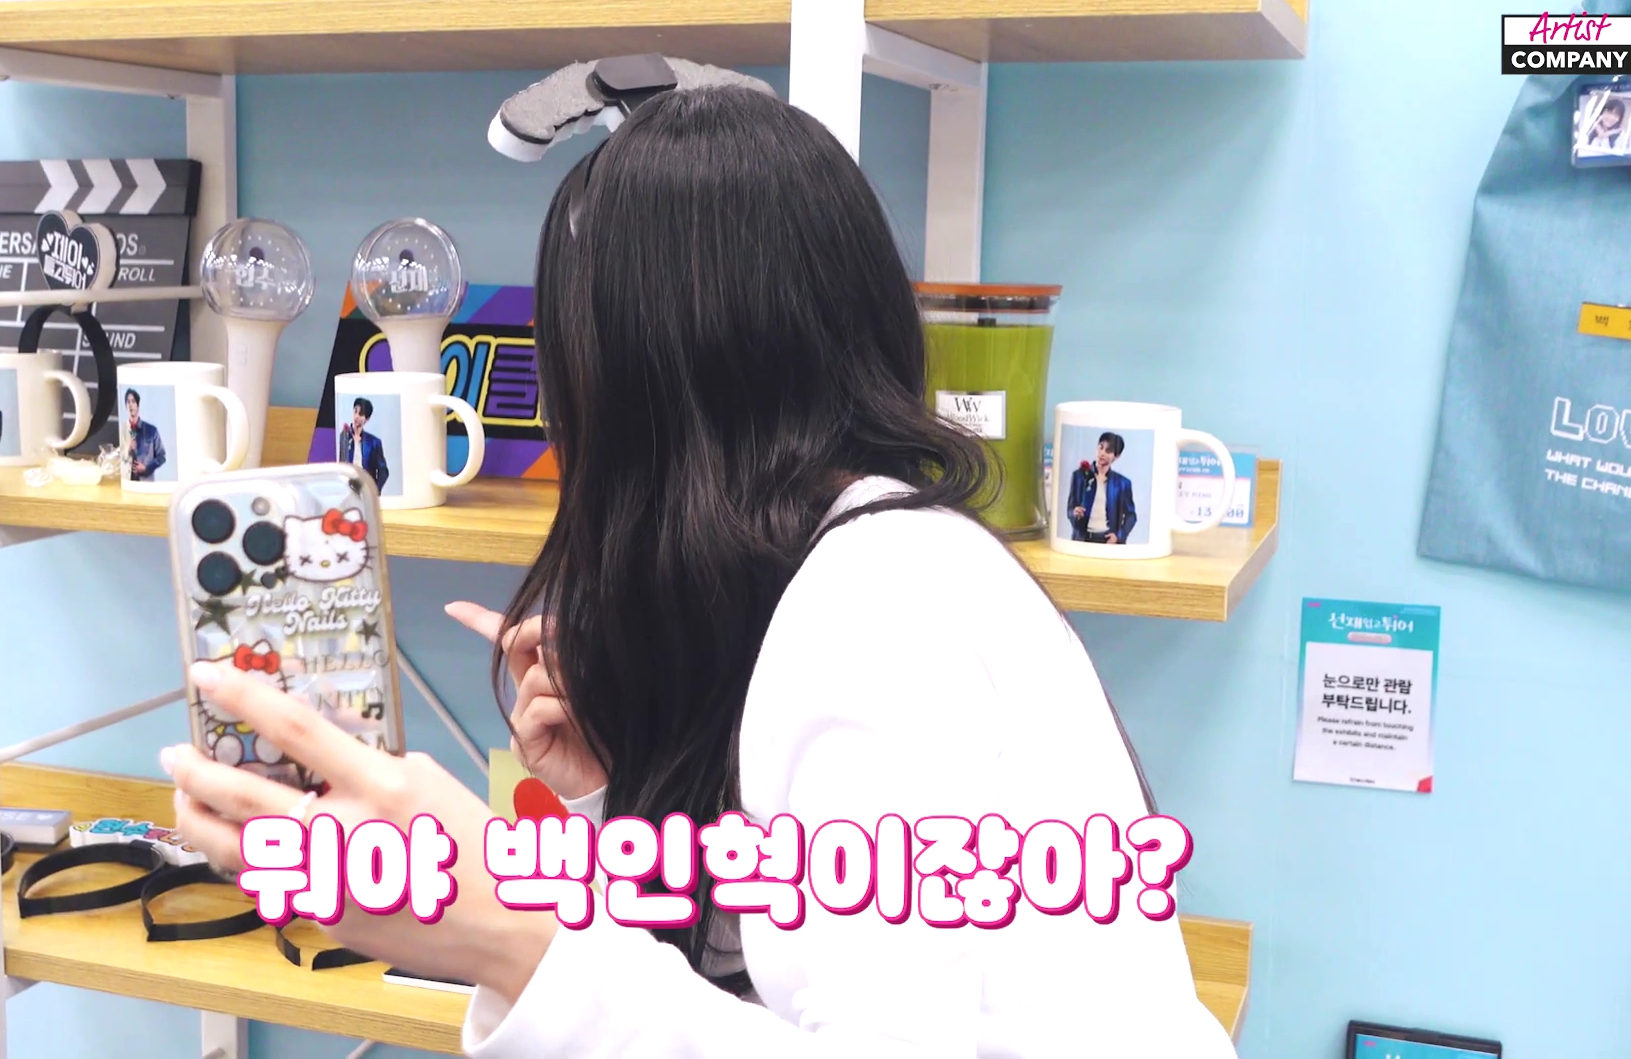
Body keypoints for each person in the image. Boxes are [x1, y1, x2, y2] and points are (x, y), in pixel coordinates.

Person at [164, 85, 1237, 1058]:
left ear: (624, 394)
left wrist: (511, 932)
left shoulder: (882, 607)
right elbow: (778, 972)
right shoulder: (867, 564)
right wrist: (614, 791)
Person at [1068, 432, 1138, 545]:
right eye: (1101, 447)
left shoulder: (1122, 483)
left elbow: (1131, 516)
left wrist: (1118, 536)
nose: (1102, 453)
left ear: (1116, 456)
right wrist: (1074, 512)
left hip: (1107, 541)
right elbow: (1070, 508)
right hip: (1082, 539)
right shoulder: (1079, 476)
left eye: (1108, 451)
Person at [337, 396, 389, 491]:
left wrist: (376, 490)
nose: (356, 416)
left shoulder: (374, 442)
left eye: (361, 414)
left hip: (365, 488)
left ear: (367, 419)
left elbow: (383, 471)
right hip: (349, 488)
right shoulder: (344, 436)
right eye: (355, 411)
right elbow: (341, 465)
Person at [124, 387, 164, 481]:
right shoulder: (123, 430)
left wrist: (146, 468)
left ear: (138, 405)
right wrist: (128, 450)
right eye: (128, 402)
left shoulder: (151, 430)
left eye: (133, 401)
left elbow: (161, 456)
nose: (130, 405)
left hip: (145, 482)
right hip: (127, 481)